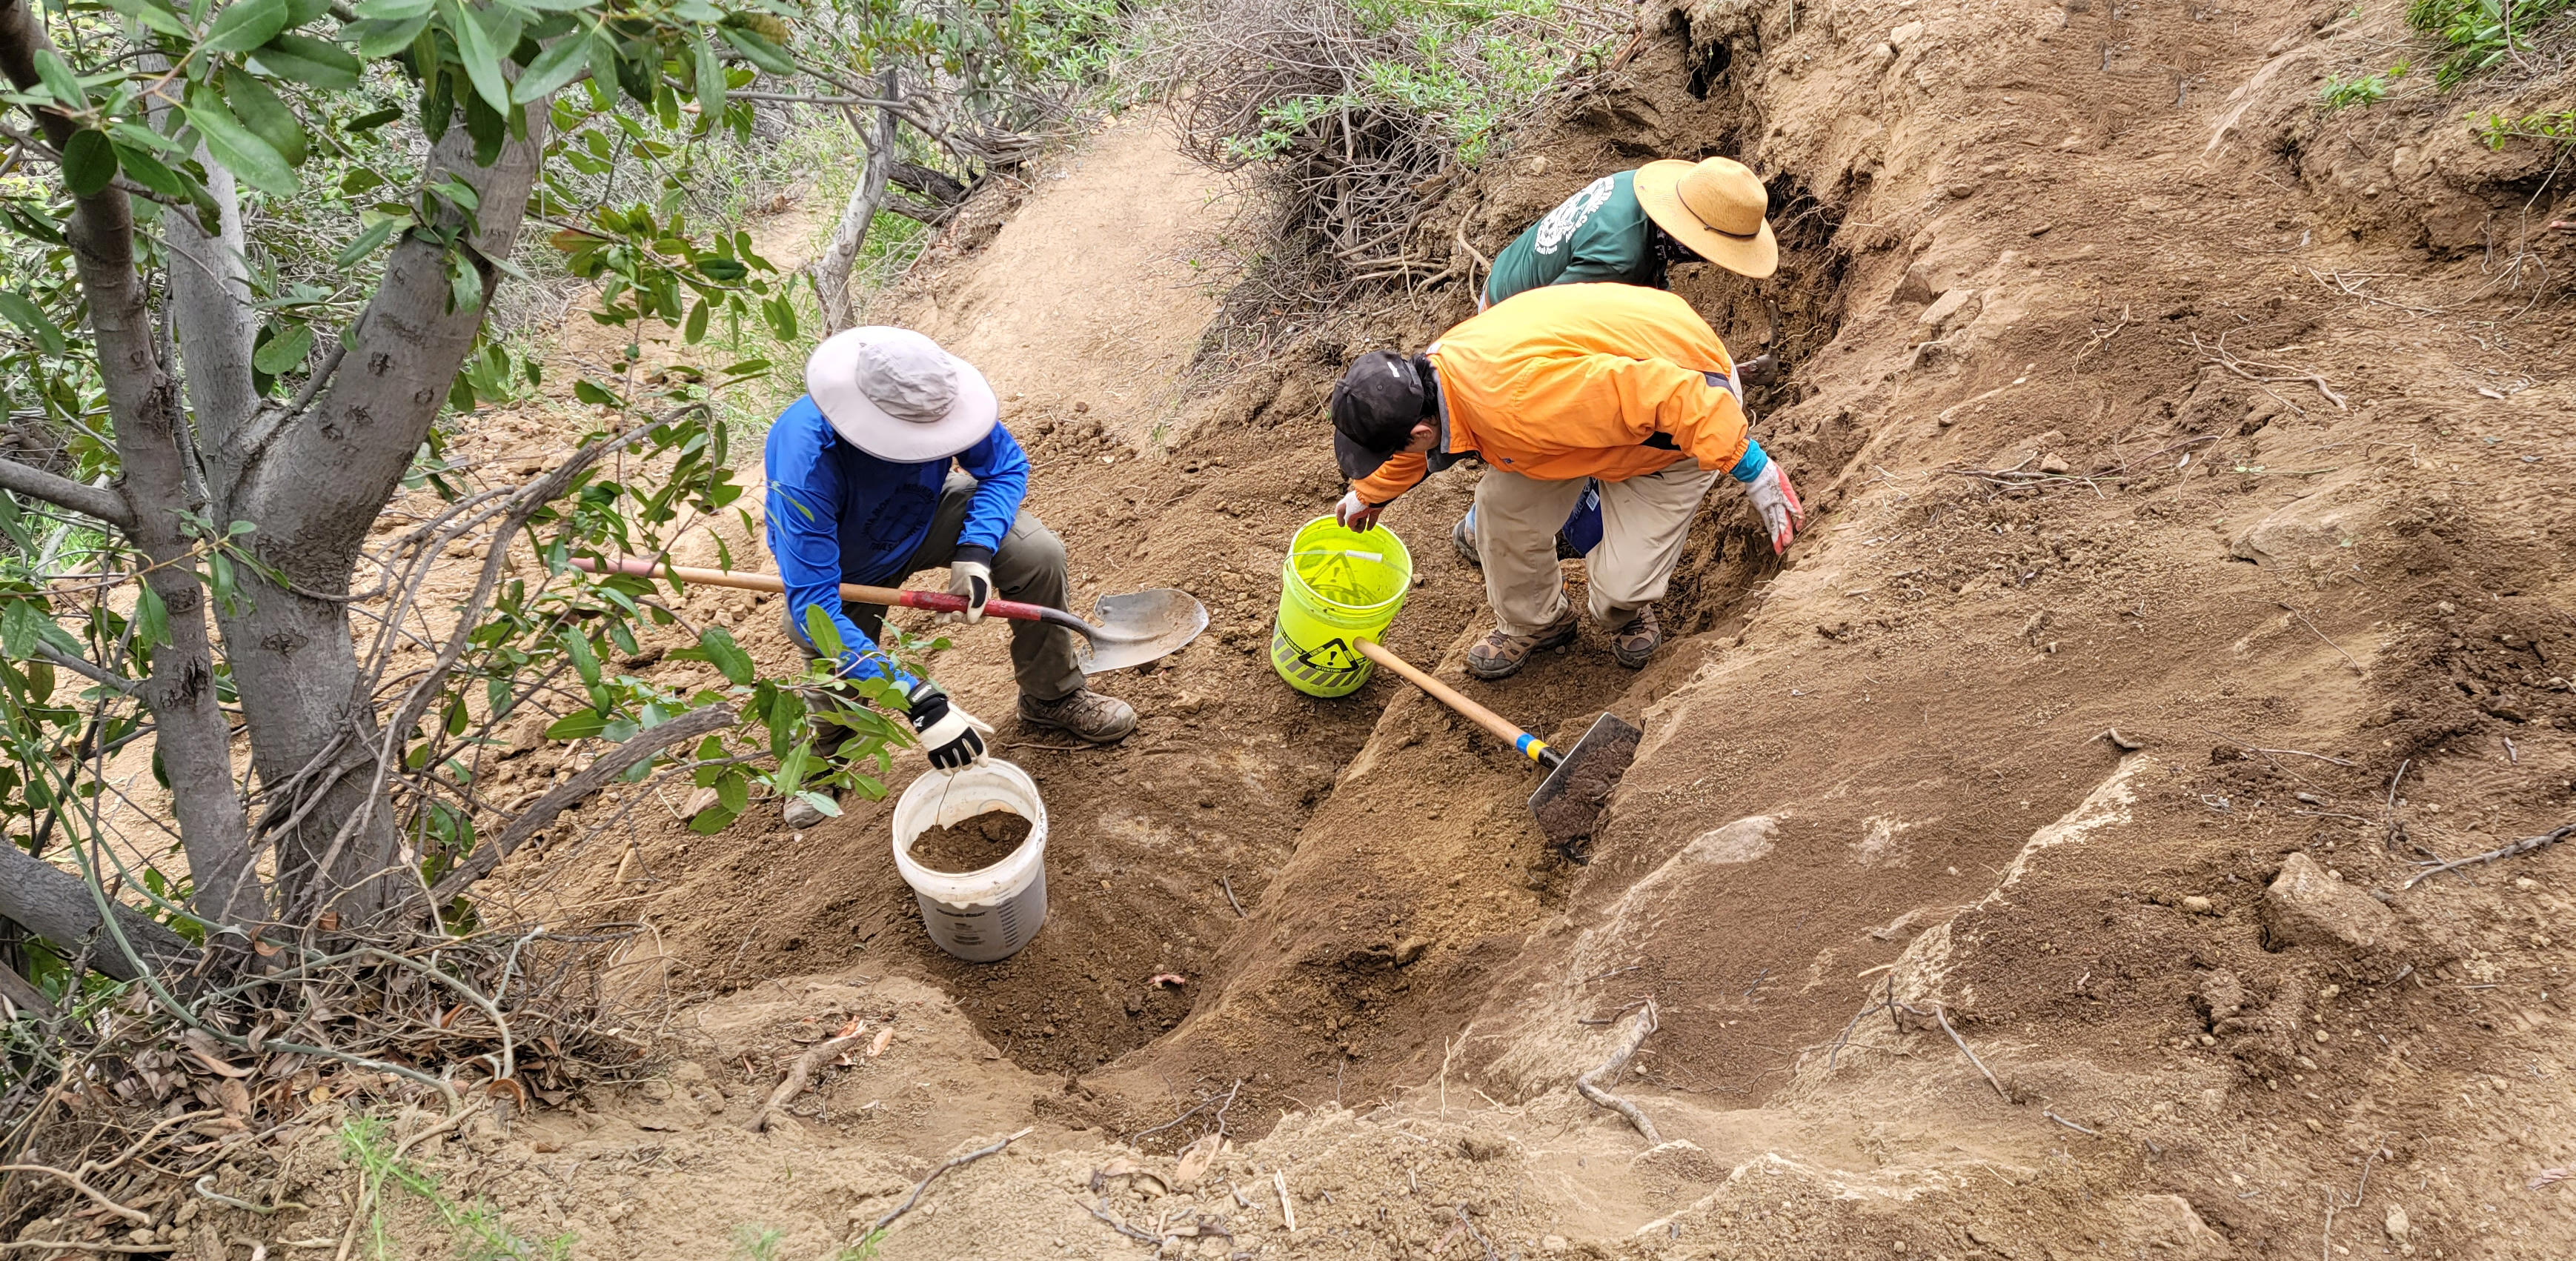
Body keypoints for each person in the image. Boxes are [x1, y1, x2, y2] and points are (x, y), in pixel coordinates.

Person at [1327, 284, 1804, 679]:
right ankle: (1537, 623)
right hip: (1595, 404)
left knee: (1621, 589)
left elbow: (1679, 397)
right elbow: (1427, 442)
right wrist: (1371, 493)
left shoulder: (1519, 404)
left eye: (1388, 452)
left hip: (1681, 414)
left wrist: (1754, 469)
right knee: (1500, 504)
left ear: (1419, 431)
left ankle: (1624, 613)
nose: (1390, 459)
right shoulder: (1439, 371)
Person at [766, 327, 1136, 824]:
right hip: (842, 563)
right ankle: (828, 759)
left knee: (1037, 554)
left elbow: (1004, 466)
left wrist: (977, 551)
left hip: (919, 515)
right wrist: (918, 701)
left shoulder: (935, 399)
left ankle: (1052, 696)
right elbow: (814, 608)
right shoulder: (805, 463)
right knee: (826, 648)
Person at [1459, 156, 1784, 567]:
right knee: (1569, 418)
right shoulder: (1616, 259)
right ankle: (1484, 526)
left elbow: (1648, 297)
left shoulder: (1643, 195)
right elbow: (1566, 346)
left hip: (1516, 279)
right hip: (1511, 328)